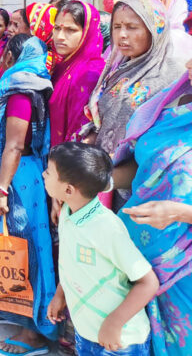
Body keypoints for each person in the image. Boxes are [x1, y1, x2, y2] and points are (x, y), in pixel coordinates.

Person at [0, 34, 58, 355]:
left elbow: (15, 144)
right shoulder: (29, 82)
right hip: (18, 175)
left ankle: (33, 332)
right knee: (10, 246)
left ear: (11, 55)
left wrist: (0, 189)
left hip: (18, 180)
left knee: (24, 250)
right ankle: (9, 308)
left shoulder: (22, 89)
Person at [45, 143, 159, 356]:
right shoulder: (68, 212)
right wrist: (60, 294)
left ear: (68, 189)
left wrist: (114, 324)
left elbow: (148, 282)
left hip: (120, 341)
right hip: (88, 333)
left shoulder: (107, 228)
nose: (44, 174)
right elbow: (70, 261)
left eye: (49, 172)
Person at [111, 61, 192, 356]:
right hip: (139, 254)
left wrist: (179, 213)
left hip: (184, 267)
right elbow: (145, 163)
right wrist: (100, 181)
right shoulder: (173, 103)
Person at [84, 0, 184, 157]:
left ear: (154, 30)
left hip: (142, 173)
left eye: (131, 27)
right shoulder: (116, 69)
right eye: (117, 26)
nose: (122, 35)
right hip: (102, 170)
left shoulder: (174, 76)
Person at [50, 1, 105, 146]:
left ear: (88, 32)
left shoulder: (90, 73)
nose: (60, 36)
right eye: (57, 28)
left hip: (69, 161)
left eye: (71, 30)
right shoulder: (59, 65)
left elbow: (81, 132)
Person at [136, 0, 192, 64]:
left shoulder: (181, 45)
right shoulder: (130, 36)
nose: (138, 12)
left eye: (147, 6)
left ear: (168, 6)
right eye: (137, 4)